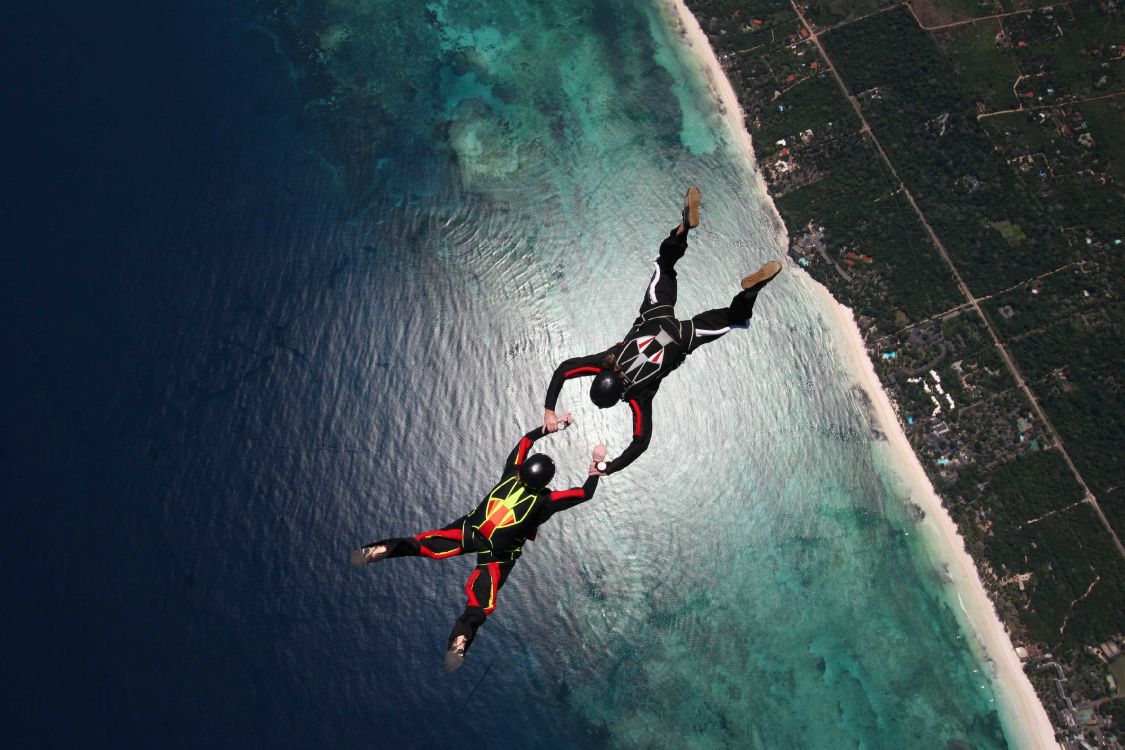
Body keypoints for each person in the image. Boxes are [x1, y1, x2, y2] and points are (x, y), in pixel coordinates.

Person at [542, 186, 781, 475]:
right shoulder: (607, 359)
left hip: (682, 337)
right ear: (601, 377)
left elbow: (640, 442)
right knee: (665, 265)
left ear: (618, 395)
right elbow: (565, 369)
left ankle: (753, 291)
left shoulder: (638, 397)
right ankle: (684, 226)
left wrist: (606, 467)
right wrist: (549, 409)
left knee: (732, 318)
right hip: (656, 316)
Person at [351, 418, 606, 671]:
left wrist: (547, 428)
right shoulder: (545, 501)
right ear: (547, 483)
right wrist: (595, 465)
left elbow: (525, 441)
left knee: (422, 544)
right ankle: (460, 638)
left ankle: (382, 550)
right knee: (480, 603)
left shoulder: (511, 473)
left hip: (470, 530)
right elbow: (584, 493)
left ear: (525, 468)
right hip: (497, 554)